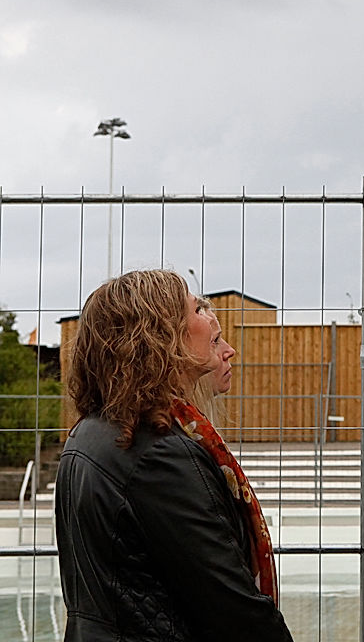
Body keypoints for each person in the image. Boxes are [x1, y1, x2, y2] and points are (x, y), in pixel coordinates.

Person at [56, 270, 292, 641]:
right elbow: (231, 605)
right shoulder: (158, 454)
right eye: (197, 308)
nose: (210, 318)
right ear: (157, 335)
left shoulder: (91, 433)